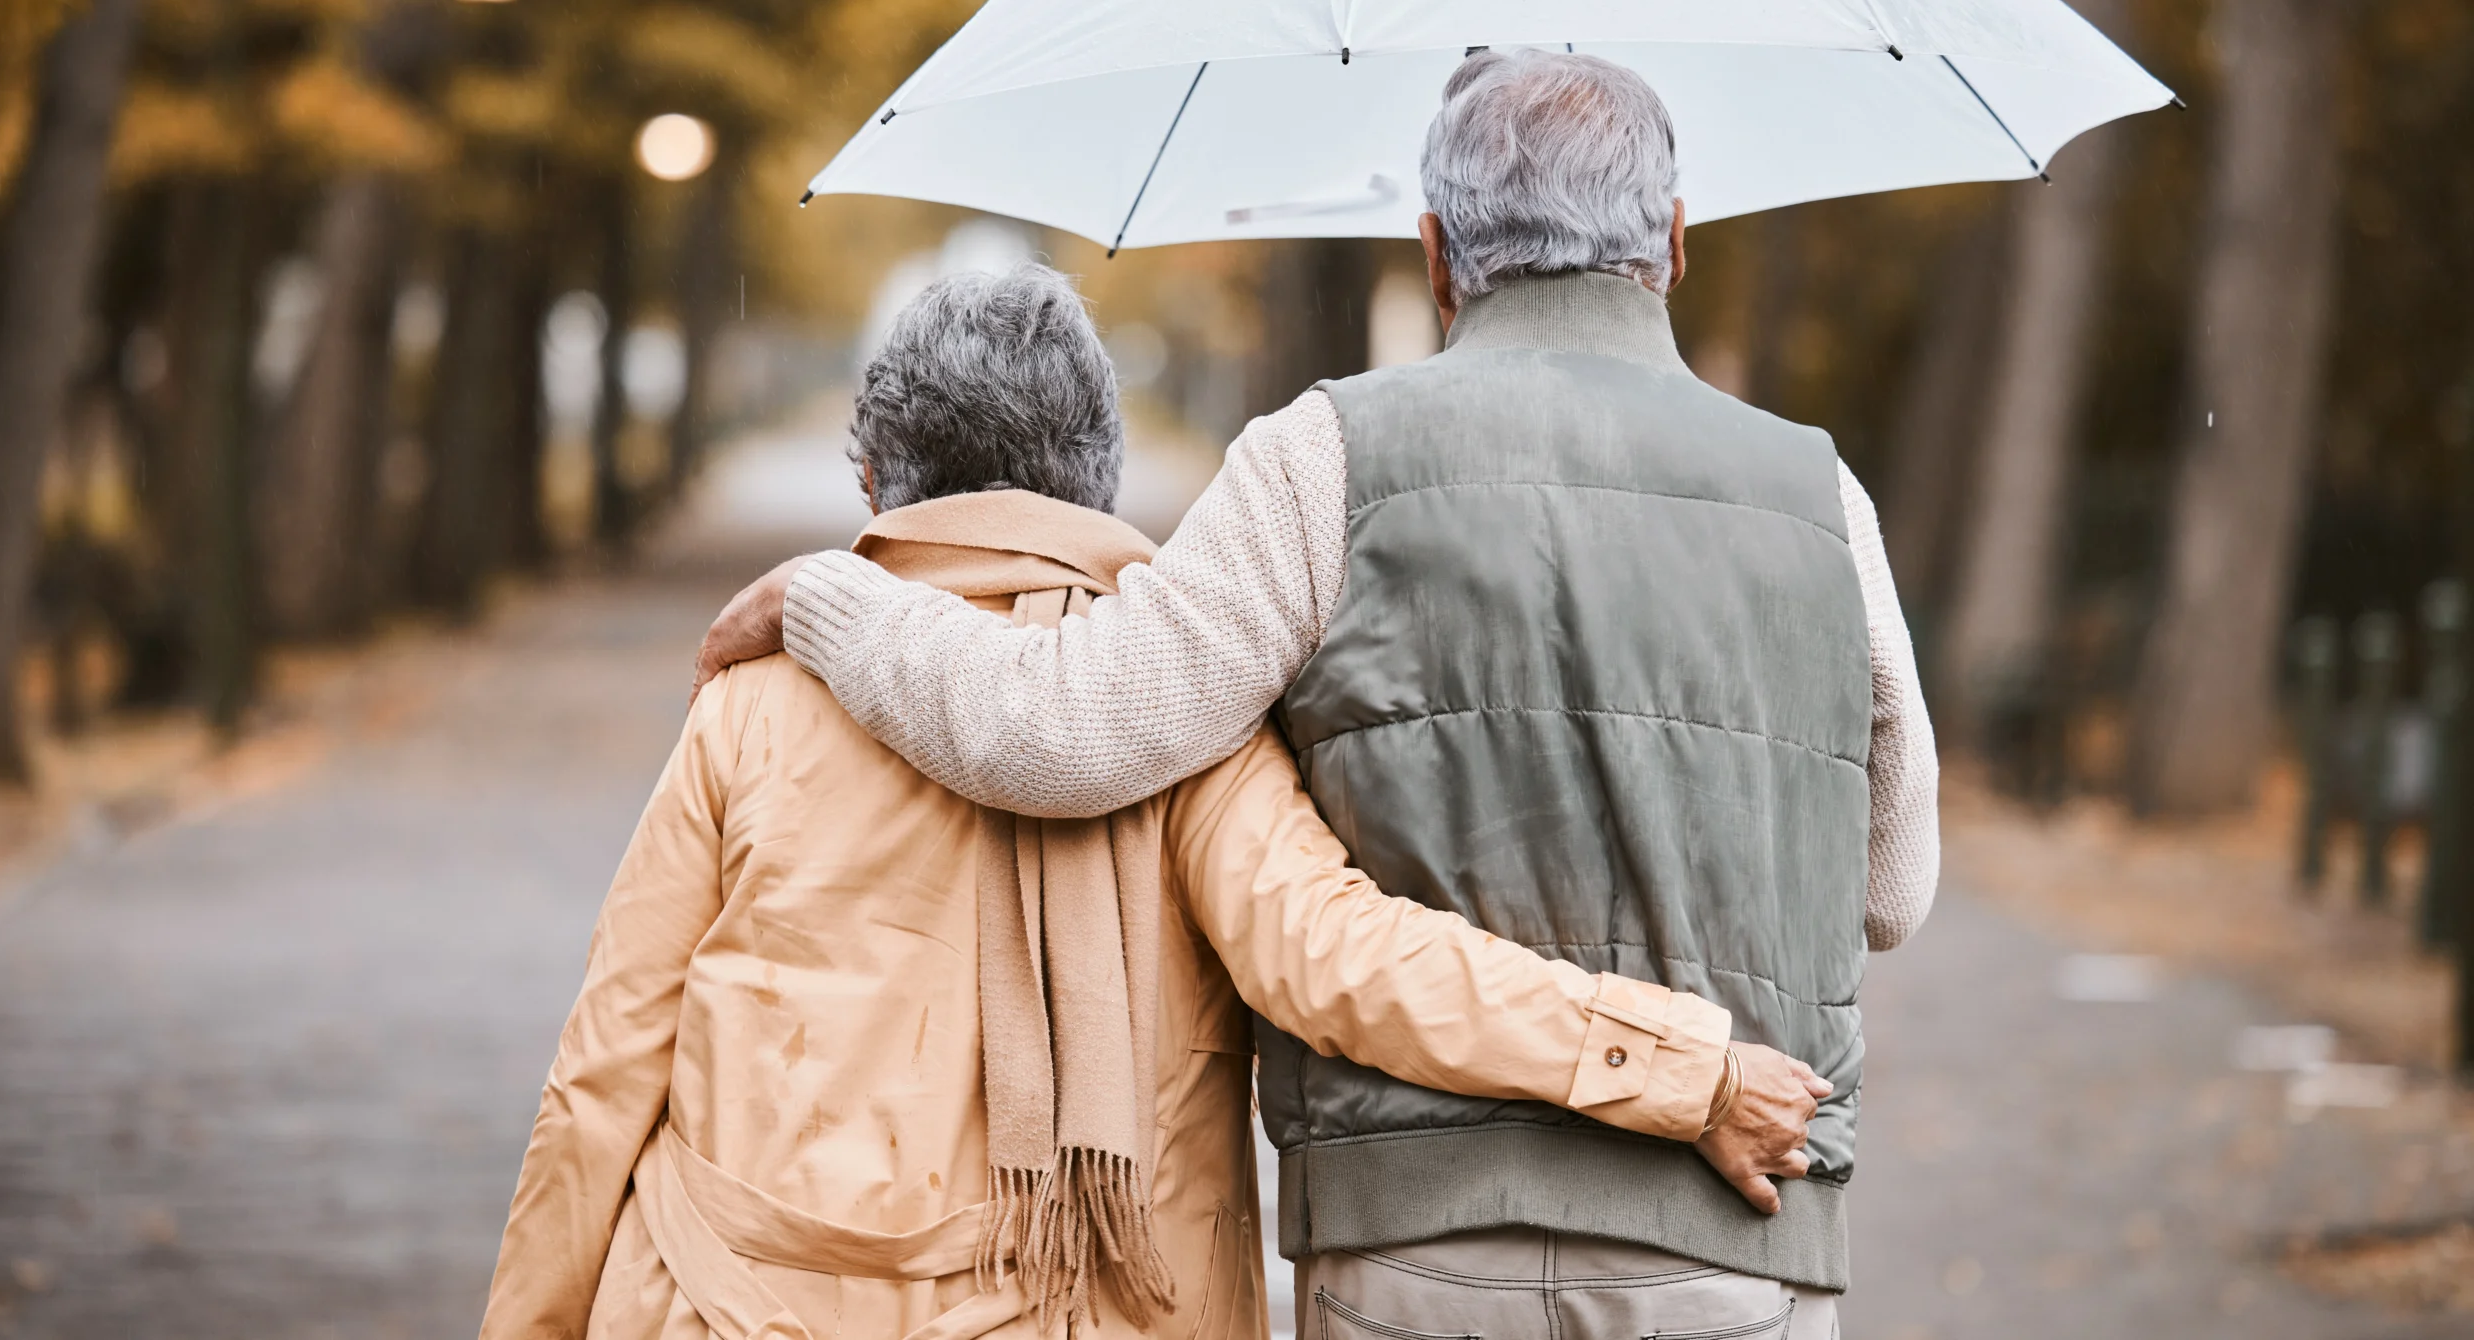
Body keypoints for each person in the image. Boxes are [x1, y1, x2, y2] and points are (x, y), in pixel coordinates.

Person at [693, 51, 1943, 1338]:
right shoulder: (1821, 497)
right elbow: (1890, 890)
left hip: (1418, 1237)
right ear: (1672, 244)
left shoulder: (1324, 460)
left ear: (1437, 253)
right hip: (1730, 1227)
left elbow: (1065, 734)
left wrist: (834, 602)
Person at [480, 263, 1829, 1340]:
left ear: (873, 484)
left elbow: (601, 1084)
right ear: (1098, 478)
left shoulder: (757, 704)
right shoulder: (1188, 724)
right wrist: (1674, 1065)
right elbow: (1350, 963)